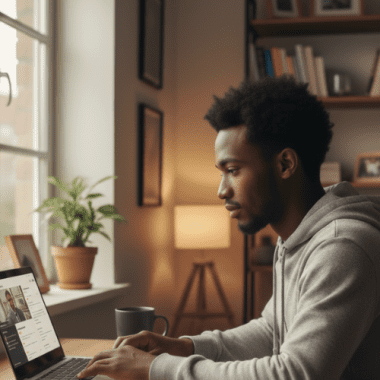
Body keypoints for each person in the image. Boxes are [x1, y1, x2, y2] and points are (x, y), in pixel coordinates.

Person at [77, 76, 380, 380]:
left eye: (233, 170)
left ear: (286, 164)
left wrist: (156, 369)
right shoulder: (298, 239)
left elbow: (295, 374)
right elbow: (272, 329)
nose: (222, 190)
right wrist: (184, 346)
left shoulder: (342, 246)